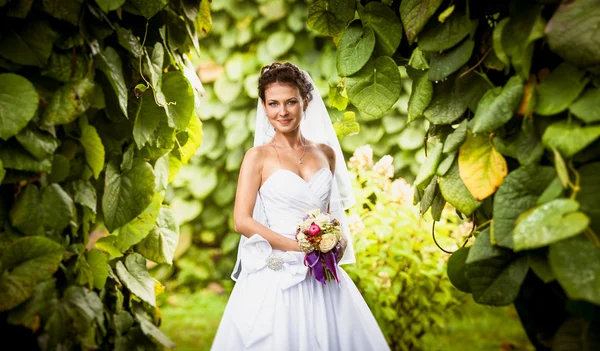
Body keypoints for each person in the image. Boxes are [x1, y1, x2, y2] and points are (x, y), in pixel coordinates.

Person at [211, 62, 389, 350]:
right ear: (264, 106)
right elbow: (242, 221)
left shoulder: (326, 154)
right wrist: (297, 246)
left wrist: (337, 240)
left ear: (306, 102)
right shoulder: (257, 157)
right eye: (274, 104)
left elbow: (329, 214)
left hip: (322, 271)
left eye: (291, 102)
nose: (283, 112)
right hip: (279, 270)